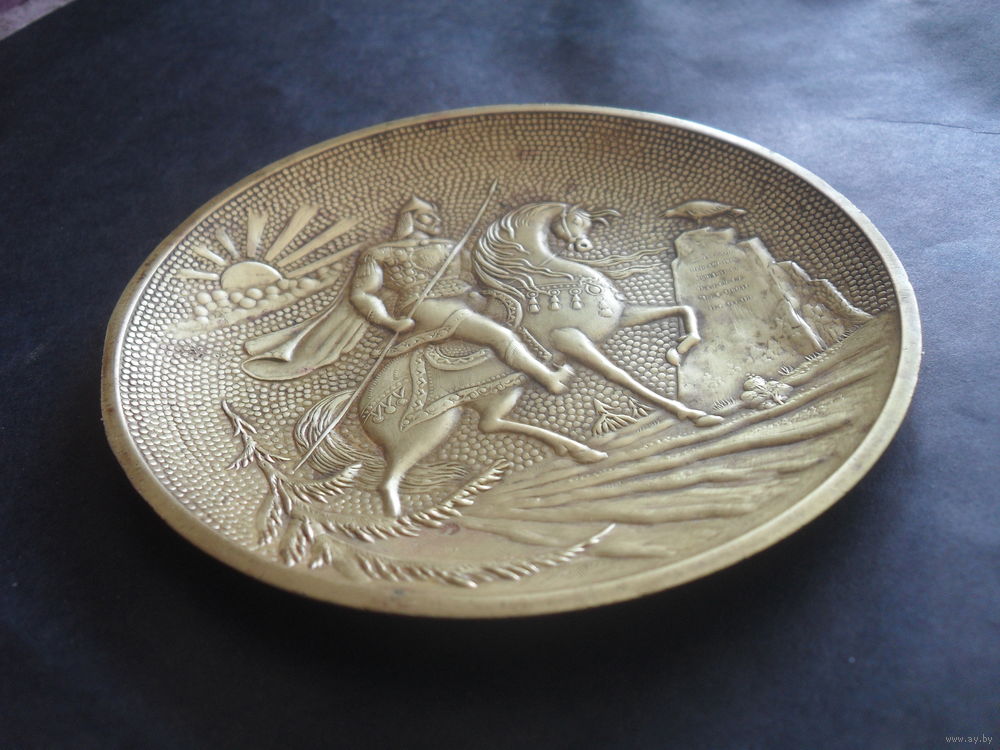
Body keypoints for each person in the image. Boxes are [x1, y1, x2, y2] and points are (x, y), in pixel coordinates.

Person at [348, 196, 572, 394]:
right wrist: (388, 322)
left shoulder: (450, 246)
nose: (436, 221)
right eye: (428, 216)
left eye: (436, 216)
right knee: (501, 336)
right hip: (426, 306)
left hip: (465, 300)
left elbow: (474, 275)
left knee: (514, 314)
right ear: (410, 218)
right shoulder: (381, 253)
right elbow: (362, 293)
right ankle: (548, 378)